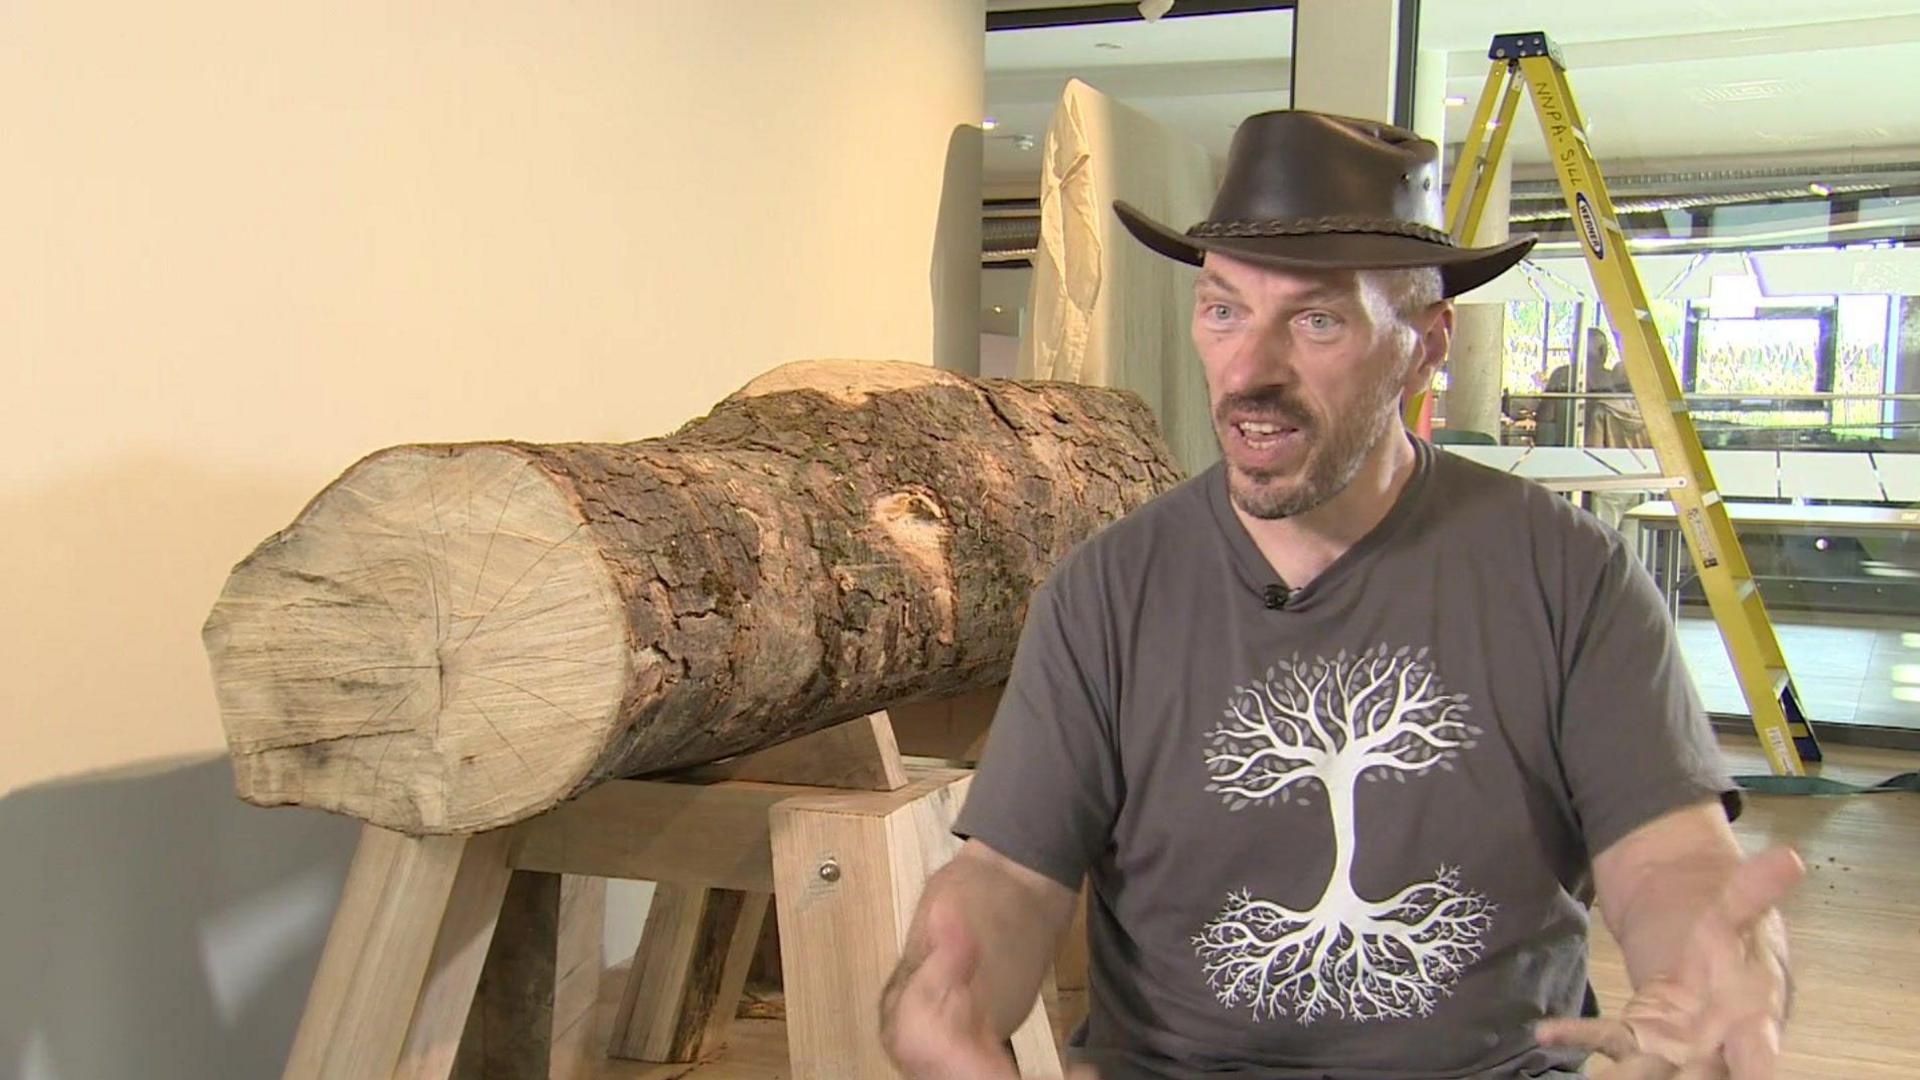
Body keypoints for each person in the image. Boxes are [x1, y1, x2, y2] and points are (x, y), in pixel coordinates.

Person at [879, 111, 1798, 1080]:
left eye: (1317, 320)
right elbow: (1007, 881)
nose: (1249, 372)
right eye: (1224, 309)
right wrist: (950, 980)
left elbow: (1671, 864)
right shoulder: (1105, 596)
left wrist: (1720, 959)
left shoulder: (1571, 581)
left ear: (1425, 344)